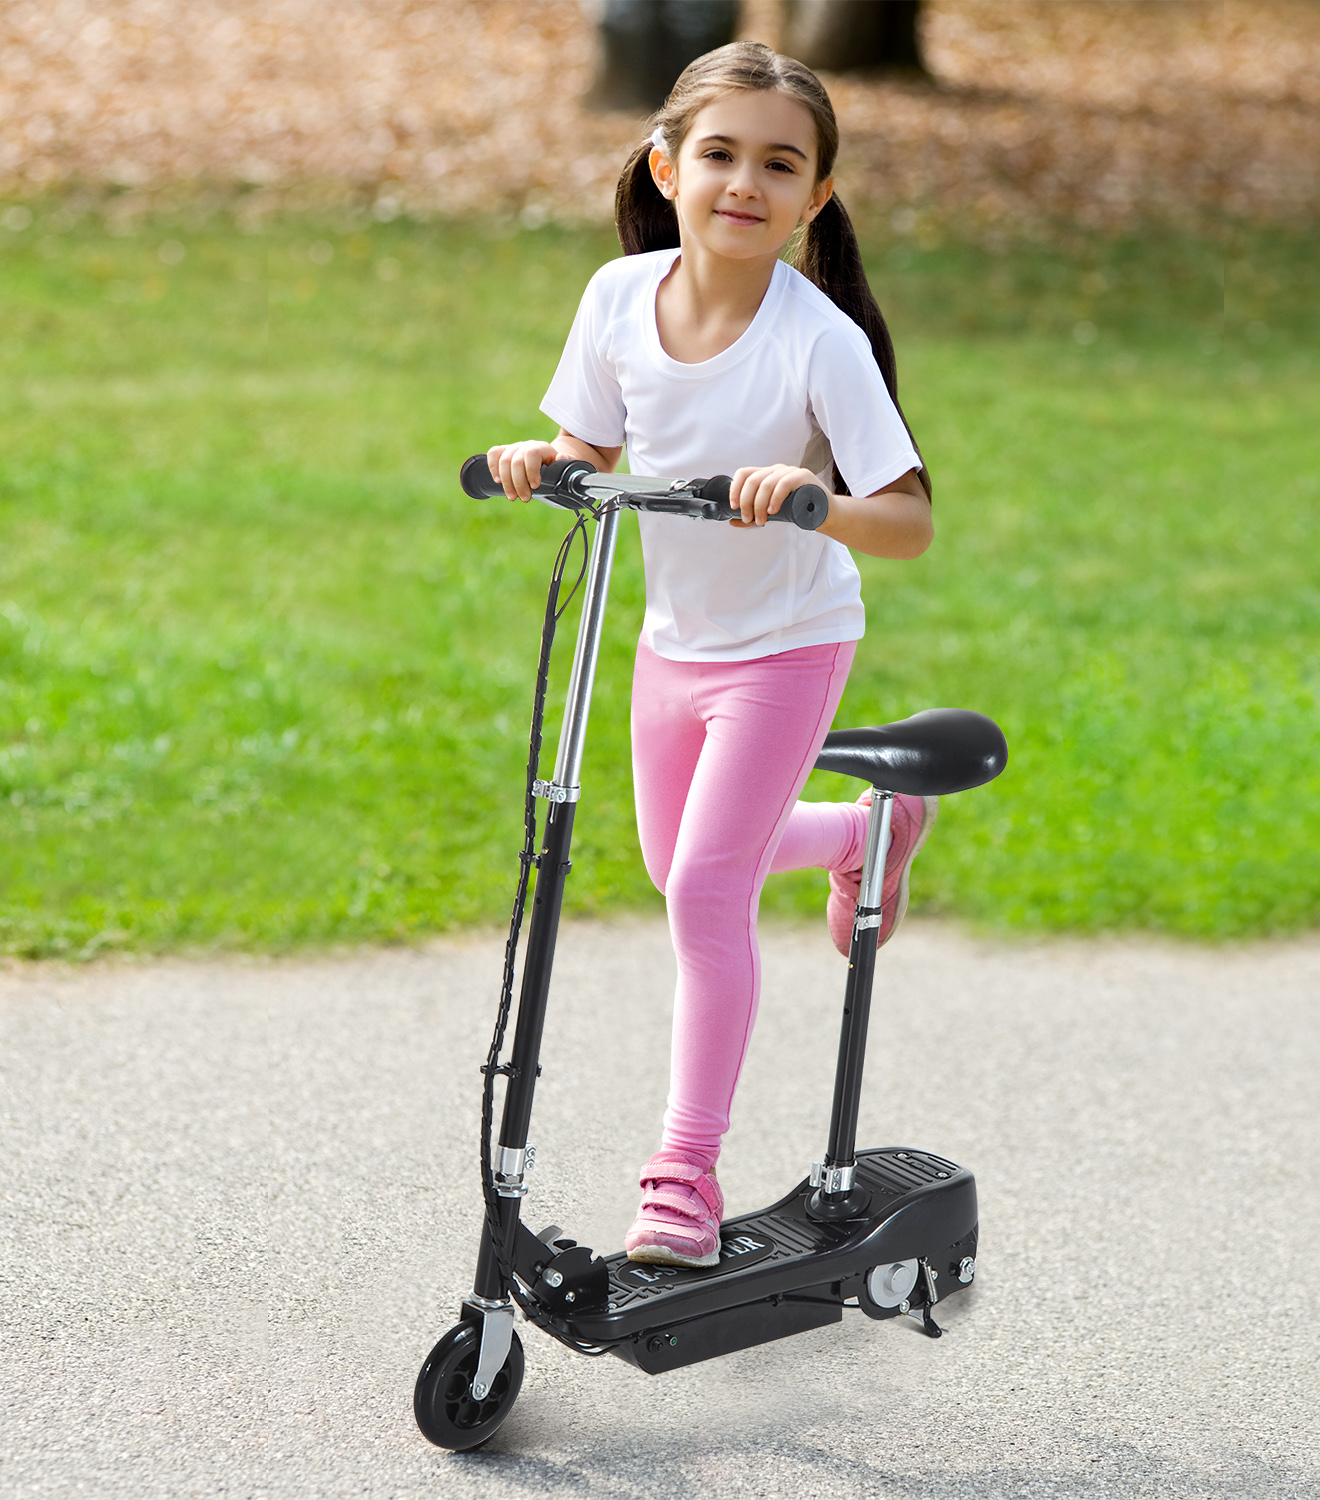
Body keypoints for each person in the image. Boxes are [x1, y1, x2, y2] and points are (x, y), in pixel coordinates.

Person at [486, 41, 934, 1269]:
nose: (745, 182)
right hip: (673, 639)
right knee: (675, 865)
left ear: (816, 197)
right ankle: (860, 834)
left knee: (703, 894)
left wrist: (809, 496)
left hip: (789, 641)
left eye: (779, 165)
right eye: (721, 154)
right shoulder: (616, 297)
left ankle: (681, 1174)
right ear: (666, 163)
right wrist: (545, 464)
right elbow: (588, 439)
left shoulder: (818, 338)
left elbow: (908, 518)